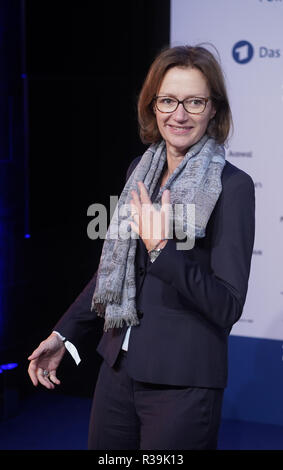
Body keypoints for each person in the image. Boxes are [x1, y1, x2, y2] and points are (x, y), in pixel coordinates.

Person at [28, 45, 255, 450]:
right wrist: (65, 334)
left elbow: (228, 305)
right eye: (168, 100)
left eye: (195, 102)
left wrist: (163, 247)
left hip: (183, 383)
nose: (179, 114)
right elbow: (114, 269)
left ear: (214, 110)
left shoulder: (233, 187)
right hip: (117, 371)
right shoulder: (140, 170)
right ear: (152, 107)